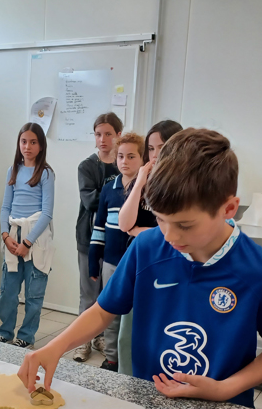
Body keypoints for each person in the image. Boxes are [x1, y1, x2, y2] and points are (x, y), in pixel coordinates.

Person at [19, 128, 262, 408]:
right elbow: (104, 311)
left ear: (228, 209)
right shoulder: (148, 247)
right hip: (149, 400)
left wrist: (225, 389)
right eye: (160, 219)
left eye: (185, 225)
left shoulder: (259, 270)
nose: (170, 236)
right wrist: (54, 347)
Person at [116, 120, 183, 375]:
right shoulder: (142, 180)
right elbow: (124, 224)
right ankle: (126, 382)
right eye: (151, 149)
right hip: (141, 260)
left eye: (162, 147)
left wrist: (142, 231)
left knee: (164, 330)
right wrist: (141, 178)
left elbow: (177, 231)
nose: (156, 155)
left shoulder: (183, 185)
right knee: (128, 332)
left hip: (171, 261)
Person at [88, 132, 146, 372]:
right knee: (110, 313)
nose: (125, 162)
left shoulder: (146, 189)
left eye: (131, 156)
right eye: (121, 156)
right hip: (111, 263)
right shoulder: (109, 189)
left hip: (136, 264)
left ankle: (128, 360)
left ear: (142, 159)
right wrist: (94, 258)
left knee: (131, 318)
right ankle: (112, 358)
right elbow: (99, 225)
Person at [0, 122, 55, 348]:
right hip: (13, 235)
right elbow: (5, 208)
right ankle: (5, 332)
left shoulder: (46, 173)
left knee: (34, 294)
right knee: (8, 292)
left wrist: (27, 243)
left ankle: (26, 336)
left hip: (36, 239)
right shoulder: (13, 170)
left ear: (41, 145)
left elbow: (47, 212)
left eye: (33, 142)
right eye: (23, 141)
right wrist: (5, 236)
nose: (27, 147)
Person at [73, 112, 123, 362]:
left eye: (108, 134)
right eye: (98, 134)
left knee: (110, 294)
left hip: (117, 242)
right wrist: (115, 197)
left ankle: (102, 337)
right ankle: (83, 341)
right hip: (88, 237)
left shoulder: (123, 164)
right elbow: (91, 201)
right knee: (89, 293)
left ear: (118, 136)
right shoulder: (87, 166)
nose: (102, 139)